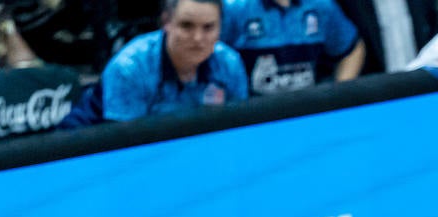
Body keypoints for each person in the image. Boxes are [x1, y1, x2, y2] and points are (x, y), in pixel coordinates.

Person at [98, 0, 248, 124]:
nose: (198, 38)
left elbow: (237, 127)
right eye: (186, 25)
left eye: (208, 27)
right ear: (166, 22)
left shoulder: (229, 63)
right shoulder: (129, 69)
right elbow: (126, 142)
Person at [220, 0, 364, 97]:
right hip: (253, 114)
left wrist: (338, 94)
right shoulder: (234, 8)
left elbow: (352, 50)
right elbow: (214, 56)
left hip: (308, 109)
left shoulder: (322, 6)